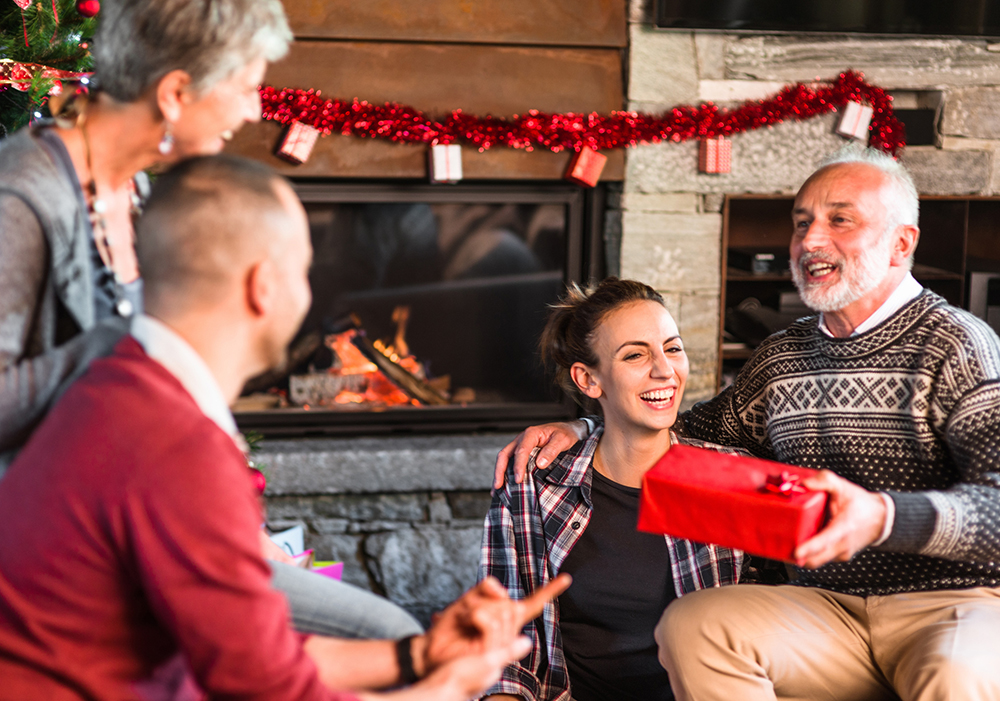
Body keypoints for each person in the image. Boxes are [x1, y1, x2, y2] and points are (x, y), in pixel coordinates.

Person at [0, 155, 572, 700]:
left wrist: (420, 655)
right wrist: (438, 692)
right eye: (304, 268)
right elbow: (270, 690)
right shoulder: (174, 446)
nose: (311, 291)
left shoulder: (124, 386)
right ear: (264, 285)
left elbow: (258, 656)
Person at [493, 147, 1000, 700]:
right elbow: (683, 429)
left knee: (956, 672)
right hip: (826, 609)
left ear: (902, 243)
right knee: (695, 624)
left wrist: (880, 516)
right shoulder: (782, 357)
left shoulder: (957, 344)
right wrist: (582, 431)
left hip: (948, 602)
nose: (809, 240)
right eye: (802, 223)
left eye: (839, 220)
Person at [0, 0, 421, 640]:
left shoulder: (138, 190)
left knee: (390, 630)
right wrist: (123, 339)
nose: (255, 109)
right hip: (63, 540)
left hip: (150, 511)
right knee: (385, 638)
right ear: (174, 92)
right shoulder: (24, 197)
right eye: (246, 86)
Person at [481, 278, 744, 701]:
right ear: (588, 380)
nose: (664, 370)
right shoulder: (536, 482)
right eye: (636, 354)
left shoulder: (731, 478)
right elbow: (506, 648)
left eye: (672, 348)